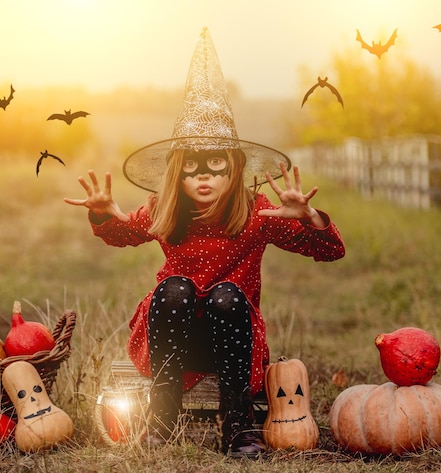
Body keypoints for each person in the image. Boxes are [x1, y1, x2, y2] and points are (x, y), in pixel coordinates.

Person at [64, 28, 345, 457]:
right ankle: (162, 419)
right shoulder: (165, 208)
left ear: (233, 168)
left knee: (228, 295)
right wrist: (103, 212)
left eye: (215, 164)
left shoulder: (257, 212)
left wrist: (310, 219)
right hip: (172, 333)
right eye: (193, 166)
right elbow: (121, 233)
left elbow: (330, 250)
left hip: (230, 339)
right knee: (173, 287)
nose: (204, 176)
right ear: (178, 171)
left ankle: (237, 426)